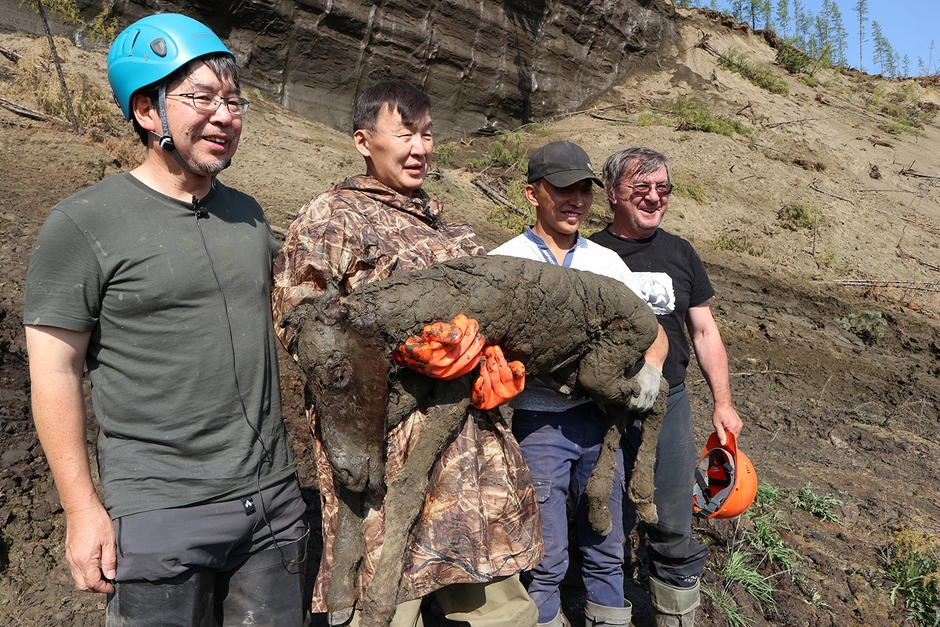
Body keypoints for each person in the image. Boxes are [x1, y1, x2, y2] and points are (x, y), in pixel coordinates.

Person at [24, 14, 307, 627]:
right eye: (200, 98)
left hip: (273, 506)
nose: (224, 116)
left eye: (234, 100)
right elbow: (53, 369)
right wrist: (80, 508)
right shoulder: (84, 224)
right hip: (158, 513)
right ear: (148, 112)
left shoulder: (251, 217)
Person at [271, 80, 543, 626]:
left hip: (473, 466)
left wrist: (497, 359)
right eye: (405, 134)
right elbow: (303, 332)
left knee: (505, 613)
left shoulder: (454, 228)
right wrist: (407, 354)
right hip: (386, 462)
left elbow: (494, 313)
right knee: (385, 606)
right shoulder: (333, 218)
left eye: (427, 134)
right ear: (363, 141)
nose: (420, 148)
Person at [490, 141, 668, 627]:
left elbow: (652, 331)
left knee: (607, 545)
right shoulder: (505, 262)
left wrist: (651, 371)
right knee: (543, 555)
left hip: (600, 425)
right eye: (563, 189)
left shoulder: (606, 263)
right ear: (532, 194)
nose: (576, 201)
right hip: (538, 424)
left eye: (584, 191)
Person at [589, 147, 744, 627]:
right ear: (613, 193)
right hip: (603, 404)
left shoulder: (680, 252)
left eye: (662, 188)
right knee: (600, 514)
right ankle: (595, 607)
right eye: (641, 187)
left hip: (670, 403)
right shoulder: (589, 253)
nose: (654, 197)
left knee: (674, 518)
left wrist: (723, 403)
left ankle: (676, 616)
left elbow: (704, 330)